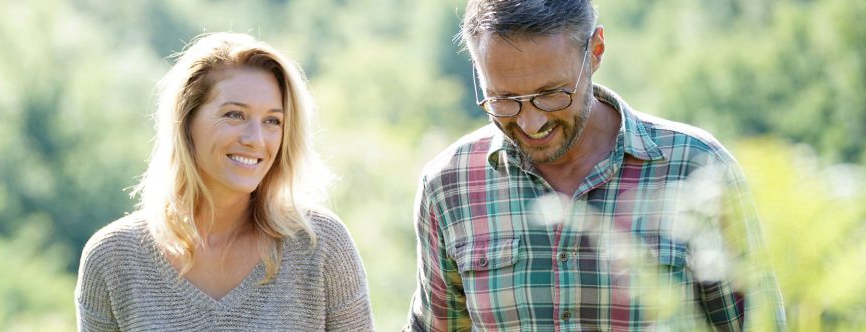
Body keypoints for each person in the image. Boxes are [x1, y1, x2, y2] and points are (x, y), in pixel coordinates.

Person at [406, 1, 785, 330]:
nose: (530, 123)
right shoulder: (449, 184)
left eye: (551, 94)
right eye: (503, 100)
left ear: (597, 50)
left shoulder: (698, 166)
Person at [75, 32, 374, 331]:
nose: (255, 139)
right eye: (235, 115)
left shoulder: (320, 245)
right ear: (186, 120)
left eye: (272, 121)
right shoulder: (112, 259)